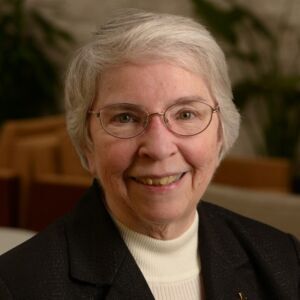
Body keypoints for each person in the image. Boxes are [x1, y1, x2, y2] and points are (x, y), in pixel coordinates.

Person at [0, 9, 299, 300]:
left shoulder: (286, 260)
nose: (158, 147)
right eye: (126, 118)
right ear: (87, 143)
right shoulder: (18, 286)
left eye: (185, 114)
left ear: (221, 134)